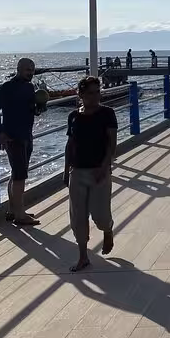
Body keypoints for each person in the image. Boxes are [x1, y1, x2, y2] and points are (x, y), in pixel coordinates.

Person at [63, 76, 118, 272]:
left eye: (98, 92)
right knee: (78, 217)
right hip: (77, 171)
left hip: (99, 171)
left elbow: (112, 144)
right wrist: (65, 170)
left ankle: (108, 229)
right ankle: (83, 257)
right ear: (81, 95)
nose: (95, 97)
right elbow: (70, 145)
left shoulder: (107, 114)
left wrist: (104, 168)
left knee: (101, 214)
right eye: (90, 93)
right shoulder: (73, 116)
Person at [0, 58, 41, 226]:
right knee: (20, 175)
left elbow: (31, 109)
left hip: (27, 134)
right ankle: (20, 214)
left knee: (17, 174)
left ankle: (13, 210)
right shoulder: (6, 87)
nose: (30, 72)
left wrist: (39, 107)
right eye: (27, 69)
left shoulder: (29, 87)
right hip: (12, 136)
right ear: (18, 69)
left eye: (32, 69)